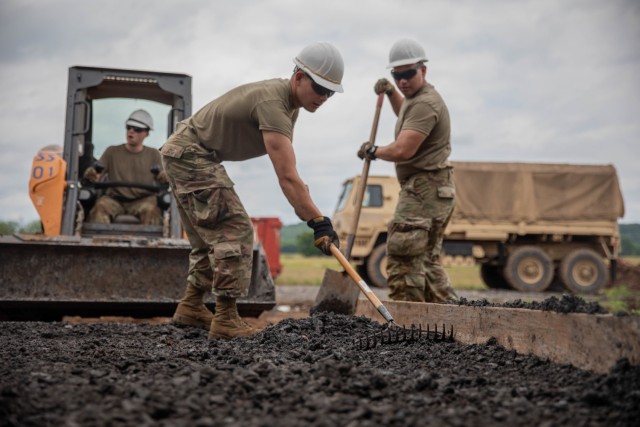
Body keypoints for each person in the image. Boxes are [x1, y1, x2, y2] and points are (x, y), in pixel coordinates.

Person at [161, 42, 343, 340]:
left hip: (183, 152)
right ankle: (226, 320)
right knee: (235, 230)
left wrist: (313, 213)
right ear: (299, 77)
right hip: (191, 153)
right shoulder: (273, 104)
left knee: (209, 238)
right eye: (320, 88)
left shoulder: (287, 106)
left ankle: (192, 306)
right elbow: (287, 177)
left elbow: (292, 175)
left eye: (330, 92)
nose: (324, 97)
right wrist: (317, 221)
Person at [358, 38, 458, 303]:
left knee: (404, 257)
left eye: (408, 74)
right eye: (396, 75)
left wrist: (373, 151)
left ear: (423, 70)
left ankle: (408, 323)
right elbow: (405, 114)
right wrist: (391, 93)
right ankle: (454, 320)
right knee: (424, 260)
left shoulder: (426, 104)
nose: (402, 81)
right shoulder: (416, 101)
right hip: (429, 188)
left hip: (424, 190)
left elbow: (403, 150)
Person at [83, 109, 167, 225]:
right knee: (100, 207)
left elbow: (164, 179)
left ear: (146, 133)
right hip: (115, 200)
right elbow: (96, 176)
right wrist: (92, 174)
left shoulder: (154, 154)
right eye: (129, 127)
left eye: (137, 129)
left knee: (152, 211)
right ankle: (100, 241)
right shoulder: (111, 152)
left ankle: (152, 243)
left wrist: (163, 176)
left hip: (143, 200)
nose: (131, 131)